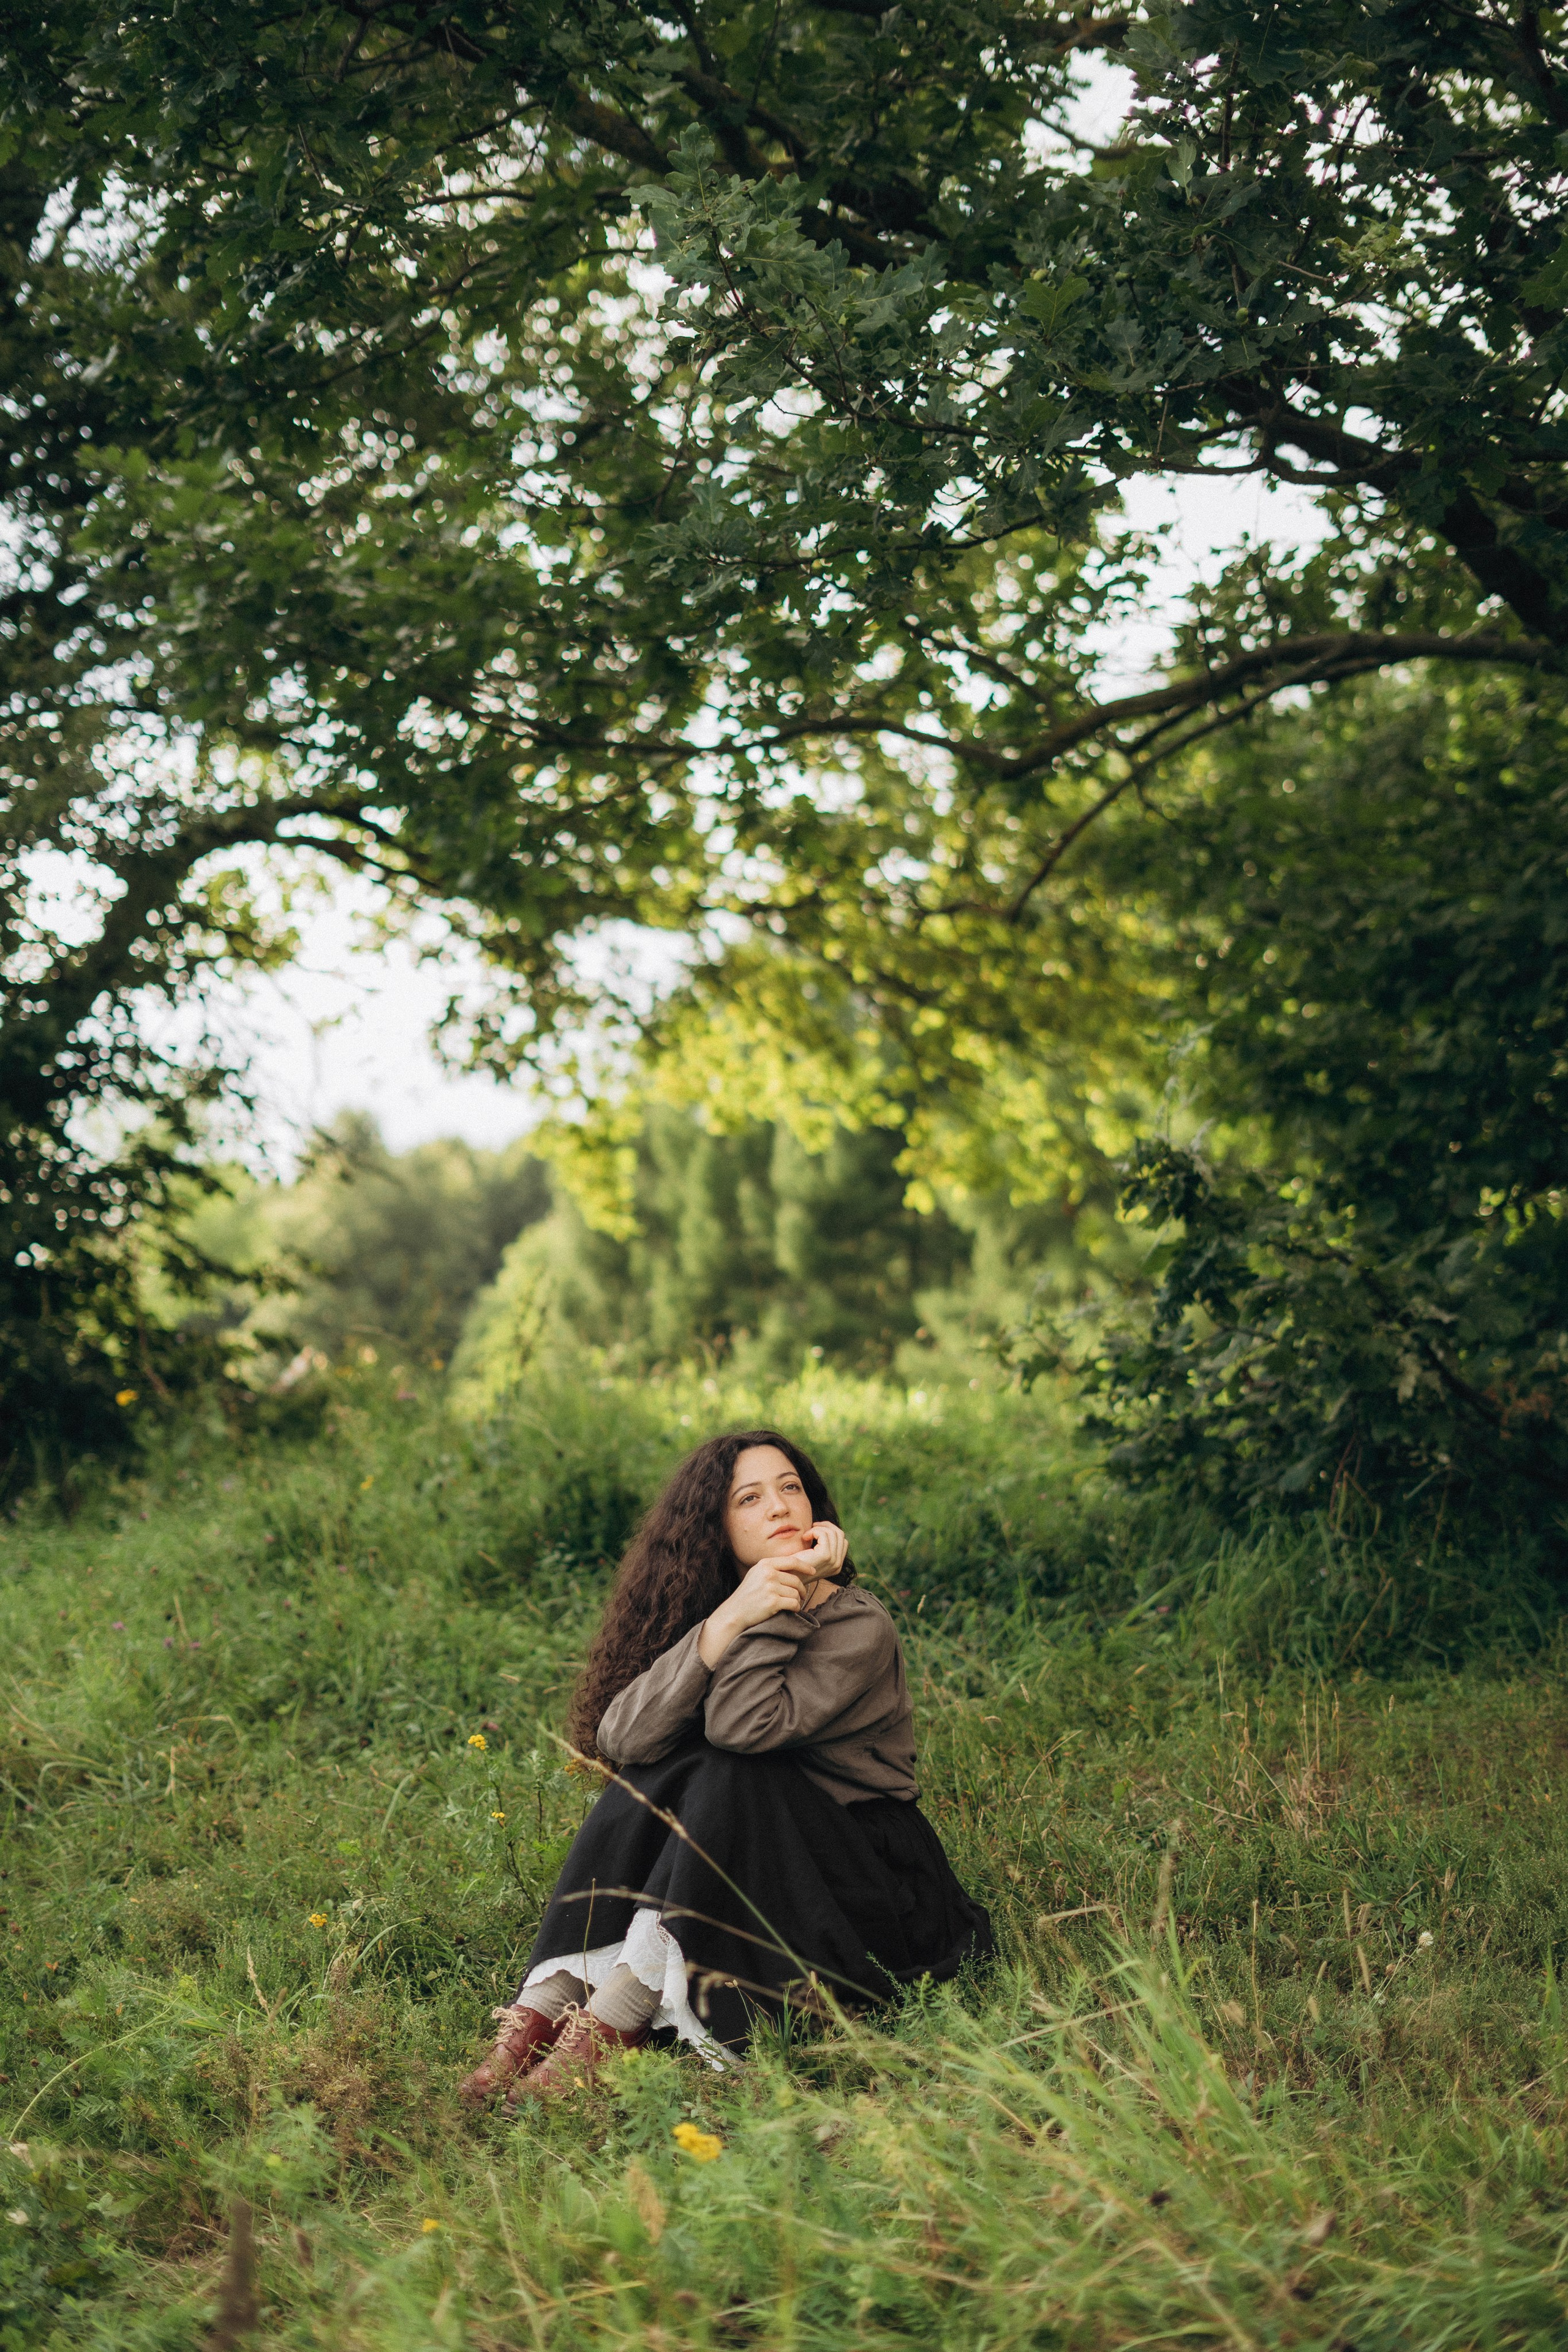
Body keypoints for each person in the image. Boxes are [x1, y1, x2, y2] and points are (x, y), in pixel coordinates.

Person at [459, 1427, 992, 2105]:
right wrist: (723, 1624)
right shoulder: (729, 1614)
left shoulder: (858, 1625)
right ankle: (539, 2014)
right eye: (750, 1498)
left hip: (869, 1880)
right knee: (659, 1767)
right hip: (763, 1860)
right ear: (717, 1530)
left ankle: (608, 2026)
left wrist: (786, 1602)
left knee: (727, 1767)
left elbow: (743, 1729)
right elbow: (621, 1738)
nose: (779, 1507)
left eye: (791, 1488)